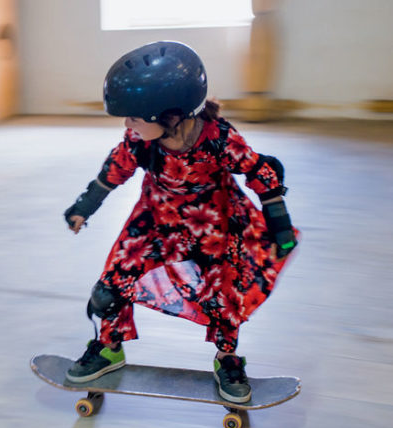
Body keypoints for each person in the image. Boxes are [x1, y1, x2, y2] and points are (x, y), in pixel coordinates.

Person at [63, 41, 298, 403]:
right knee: (111, 286)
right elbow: (115, 170)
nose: (128, 125)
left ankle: (228, 360)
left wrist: (279, 225)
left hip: (213, 226)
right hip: (156, 220)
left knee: (222, 297)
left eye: (135, 118)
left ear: (170, 115)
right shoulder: (140, 141)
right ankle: (109, 349)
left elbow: (260, 172)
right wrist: (84, 206)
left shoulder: (219, 139)